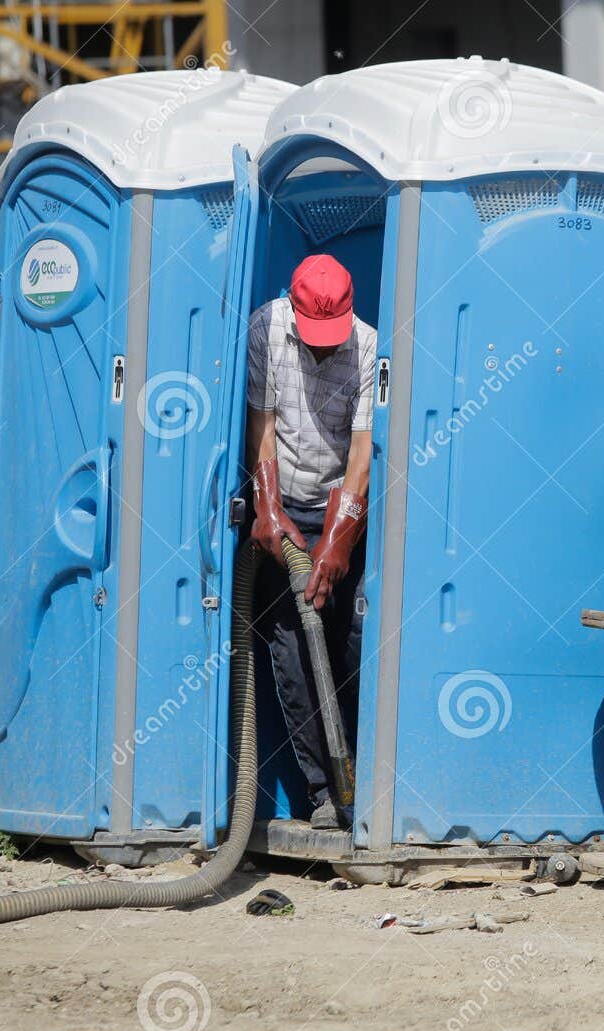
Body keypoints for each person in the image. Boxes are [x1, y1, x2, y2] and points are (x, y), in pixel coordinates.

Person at [246, 254, 374, 829]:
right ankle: (323, 794)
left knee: (353, 641)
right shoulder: (267, 329)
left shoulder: (368, 348)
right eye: (314, 339)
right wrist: (268, 508)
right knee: (293, 652)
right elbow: (263, 427)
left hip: (340, 504)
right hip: (285, 512)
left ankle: (364, 787)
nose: (324, 350)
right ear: (295, 314)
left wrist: (340, 539)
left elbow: (362, 453)